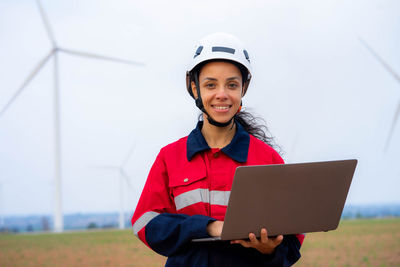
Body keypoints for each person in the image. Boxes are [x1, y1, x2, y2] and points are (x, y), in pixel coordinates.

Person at [131, 32, 305, 266]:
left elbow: (293, 240)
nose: (222, 94)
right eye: (210, 84)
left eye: (232, 85)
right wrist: (209, 227)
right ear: (194, 88)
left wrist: (270, 249)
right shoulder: (169, 157)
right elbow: (145, 223)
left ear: (243, 89)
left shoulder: (267, 157)